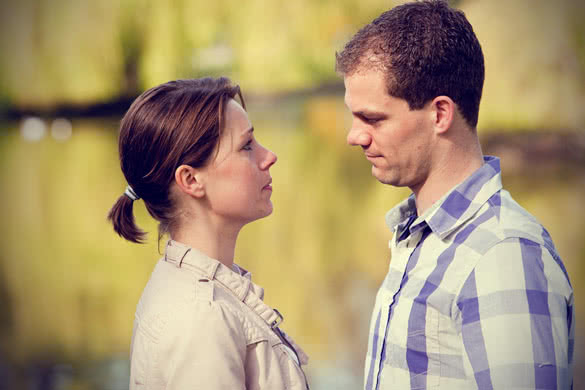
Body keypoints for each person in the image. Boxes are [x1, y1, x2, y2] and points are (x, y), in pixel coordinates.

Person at [335, 1, 574, 389]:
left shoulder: (501, 254)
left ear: (440, 114)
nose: (354, 136)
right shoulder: (422, 239)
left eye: (372, 118)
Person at [107, 77, 309, 390]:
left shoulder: (193, 288)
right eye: (246, 146)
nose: (269, 156)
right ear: (190, 180)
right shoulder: (203, 318)